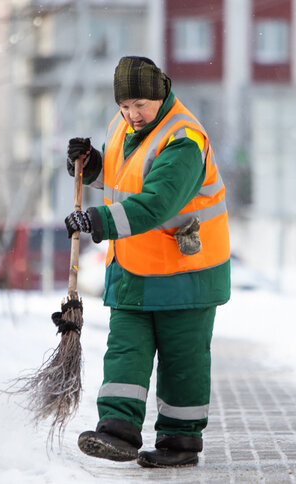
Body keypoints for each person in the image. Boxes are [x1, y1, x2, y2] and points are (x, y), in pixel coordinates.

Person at [62, 56, 231, 468]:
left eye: (140, 105)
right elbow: (124, 180)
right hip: (133, 268)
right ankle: (117, 432)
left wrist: (97, 220)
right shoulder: (122, 127)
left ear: (160, 95)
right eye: (125, 106)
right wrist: (89, 167)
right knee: (125, 352)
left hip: (186, 273)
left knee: (183, 361)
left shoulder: (184, 139)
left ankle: (179, 442)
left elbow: (156, 202)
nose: (132, 115)